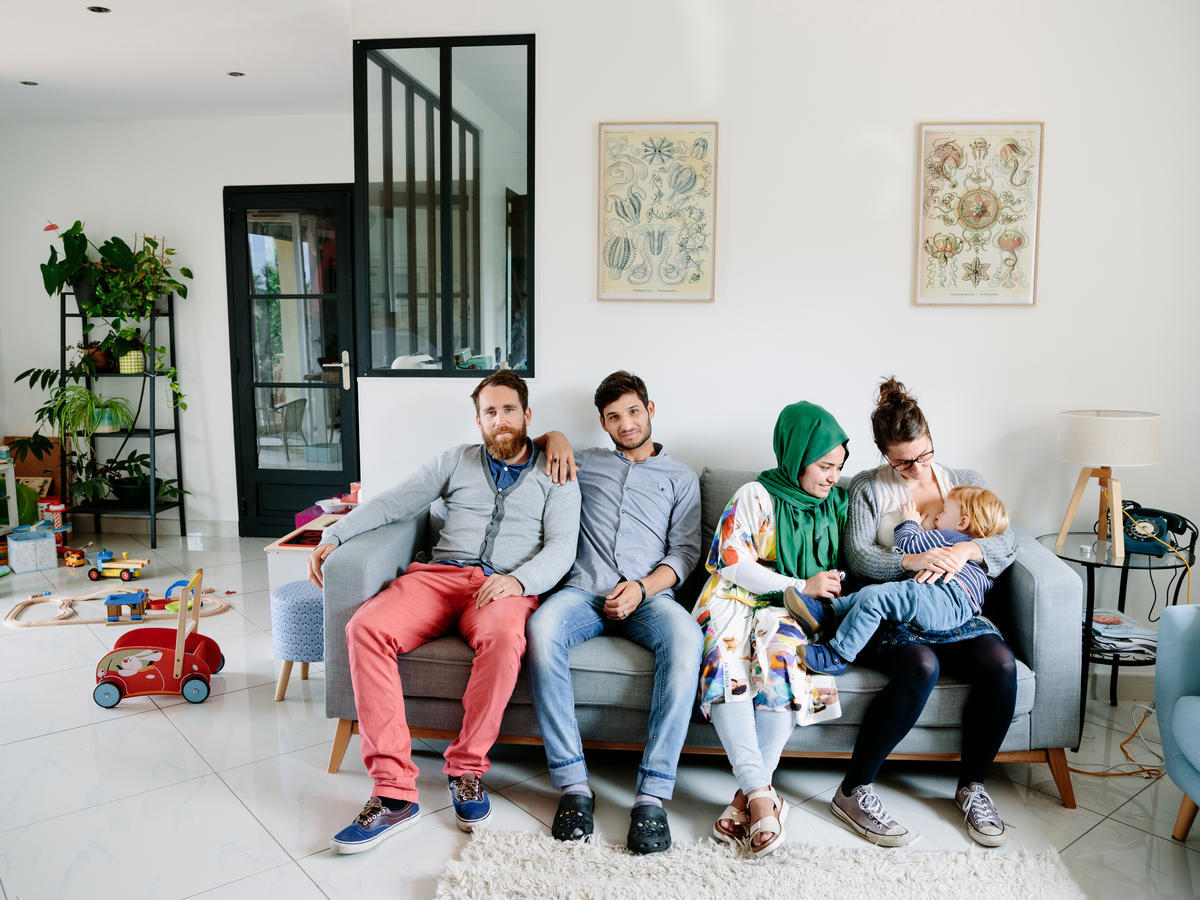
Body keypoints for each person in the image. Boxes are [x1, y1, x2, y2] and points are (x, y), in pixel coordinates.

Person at [306, 371, 581, 855]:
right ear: (479, 420)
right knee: (365, 627)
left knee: (506, 641)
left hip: (504, 587)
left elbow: (562, 547)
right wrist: (334, 535)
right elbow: (396, 501)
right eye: (490, 412)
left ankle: (467, 768)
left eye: (509, 410)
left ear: (527, 416)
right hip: (438, 579)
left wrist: (518, 581)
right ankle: (393, 792)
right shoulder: (456, 460)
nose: (500, 420)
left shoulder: (555, 472)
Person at [524, 371, 703, 855]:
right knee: (540, 629)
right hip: (582, 592)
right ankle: (573, 788)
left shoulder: (682, 478)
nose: (626, 424)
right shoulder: (583, 462)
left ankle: (652, 795)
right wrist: (553, 435)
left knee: (688, 641)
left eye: (633, 412)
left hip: (649, 599)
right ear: (602, 423)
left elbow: (685, 555)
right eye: (613, 417)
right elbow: (527, 446)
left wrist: (642, 589)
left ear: (650, 409)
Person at [834, 377, 1017, 848]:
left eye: (924, 454)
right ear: (882, 452)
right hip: (897, 610)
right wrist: (909, 560)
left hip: (956, 609)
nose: (916, 468)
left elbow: (1008, 539)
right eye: (903, 461)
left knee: (1000, 665)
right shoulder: (867, 490)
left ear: (931, 435)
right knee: (921, 665)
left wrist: (967, 552)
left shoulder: (967, 482)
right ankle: (853, 789)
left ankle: (973, 787)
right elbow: (856, 557)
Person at [692, 401, 849, 858]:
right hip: (733, 599)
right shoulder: (754, 495)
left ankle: (749, 796)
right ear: (797, 455)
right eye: (824, 466)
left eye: (838, 467)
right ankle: (764, 795)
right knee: (725, 662)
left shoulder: (835, 506)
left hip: (788, 612)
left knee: (782, 660)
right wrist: (800, 584)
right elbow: (733, 561)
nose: (832, 477)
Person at [788, 485, 1010, 672]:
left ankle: (838, 655)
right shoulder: (979, 556)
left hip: (944, 599)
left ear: (962, 523)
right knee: (872, 593)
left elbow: (909, 544)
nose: (937, 516)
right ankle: (827, 611)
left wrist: (910, 522)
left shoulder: (949, 538)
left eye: (943, 511)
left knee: (876, 600)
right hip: (951, 604)